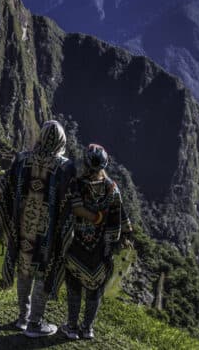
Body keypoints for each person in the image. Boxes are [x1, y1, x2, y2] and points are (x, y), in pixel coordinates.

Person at [0, 121, 103, 338]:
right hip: (48, 233)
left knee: (24, 269)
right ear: (62, 141)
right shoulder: (65, 167)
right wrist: (95, 217)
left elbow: (4, 186)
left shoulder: (22, 159)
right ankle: (35, 324)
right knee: (43, 273)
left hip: (23, 228)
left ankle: (22, 318)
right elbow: (73, 204)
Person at [59, 144, 133, 340]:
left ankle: (72, 327)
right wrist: (124, 236)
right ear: (104, 164)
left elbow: (72, 208)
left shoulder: (77, 184)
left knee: (74, 286)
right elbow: (121, 216)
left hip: (77, 246)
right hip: (102, 250)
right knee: (95, 290)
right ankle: (88, 328)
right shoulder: (112, 189)